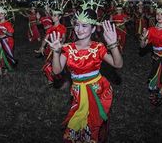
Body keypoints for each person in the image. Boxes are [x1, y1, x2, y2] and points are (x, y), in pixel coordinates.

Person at [46, 9, 123, 142]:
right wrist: (57, 53)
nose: (79, 29)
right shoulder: (68, 48)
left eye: (84, 26)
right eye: (77, 24)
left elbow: (118, 64)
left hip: (97, 92)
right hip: (78, 94)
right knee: (75, 125)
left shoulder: (98, 47)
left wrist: (113, 44)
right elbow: (57, 71)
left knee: (94, 125)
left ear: (93, 29)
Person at [35, 9, 67, 85]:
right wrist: (42, 47)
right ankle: (51, 79)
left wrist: (60, 45)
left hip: (58, 49)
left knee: (57, 65)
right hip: (50, 49)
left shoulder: (62, 27)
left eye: (55, 15)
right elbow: (46, 38)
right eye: (52, 15)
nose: (52, 17)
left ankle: (59, 80)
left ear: (59, 17)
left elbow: (63, 38)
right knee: (48, 64)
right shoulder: (50, 28)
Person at [0, 8, 17, 75]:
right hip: (0, 42)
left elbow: (11, 34)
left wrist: (6, 32)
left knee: (6, 56)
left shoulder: (7, 24)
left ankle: (6, 69)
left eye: (2, 13)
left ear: (5, 15)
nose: (0, 15)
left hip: (8, 42)